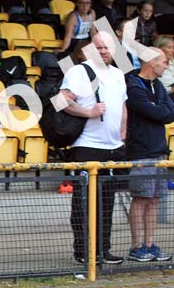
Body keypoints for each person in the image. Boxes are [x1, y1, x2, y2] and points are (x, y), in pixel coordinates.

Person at [59, 31, 127, 265]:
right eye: (99, 48)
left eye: (107, 48)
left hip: (113, 148)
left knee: (107, 202)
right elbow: (61, 100)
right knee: (83, 201)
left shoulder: (118, 74)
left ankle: (102, 249)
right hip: (87, 146)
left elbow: (123, 108)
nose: (103, 51)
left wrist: (122, 137)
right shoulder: (80, 71)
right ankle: (83, 250)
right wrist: (88, 112)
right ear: (91, 49)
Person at [124, 47, 174, 262]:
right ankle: (136, 246)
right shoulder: (134, 86)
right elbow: (156, 112)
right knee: (141, 198)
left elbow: (168, 113)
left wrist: (159, 109)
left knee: (154, 199)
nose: (167, 66)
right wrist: (159, 109)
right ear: (152, 62)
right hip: (141, 152)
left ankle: (150, 244)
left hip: (159, 151)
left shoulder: (159, 86)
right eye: (164, 62)